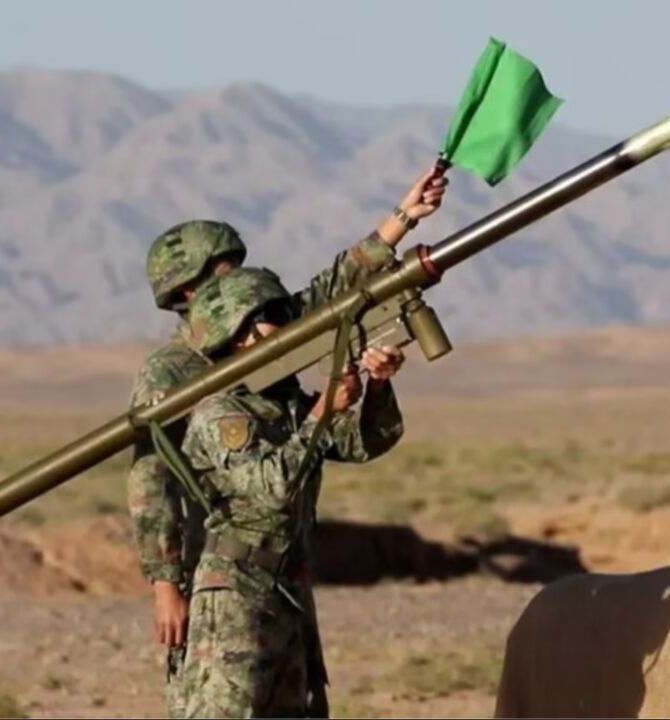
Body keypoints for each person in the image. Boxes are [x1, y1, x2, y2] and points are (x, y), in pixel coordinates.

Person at [125, 169, 446, 715]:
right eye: (224, 273)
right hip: (222, 560)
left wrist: (401, 220)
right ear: (187, 290)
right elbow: (151, 478)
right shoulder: (174, 373)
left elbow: (328, 293)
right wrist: (166, 581)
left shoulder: (267, 342)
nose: (241, 281)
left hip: (283, 568)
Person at [171, 266, 407, 718]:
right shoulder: (222, 413)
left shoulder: (285, 403)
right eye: (274, 314)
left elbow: (364, 442)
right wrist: (321, 412)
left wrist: (377, 386)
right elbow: (272, 488)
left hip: (288, 587)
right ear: (240, 332)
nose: (288, 322)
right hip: (237, 593)